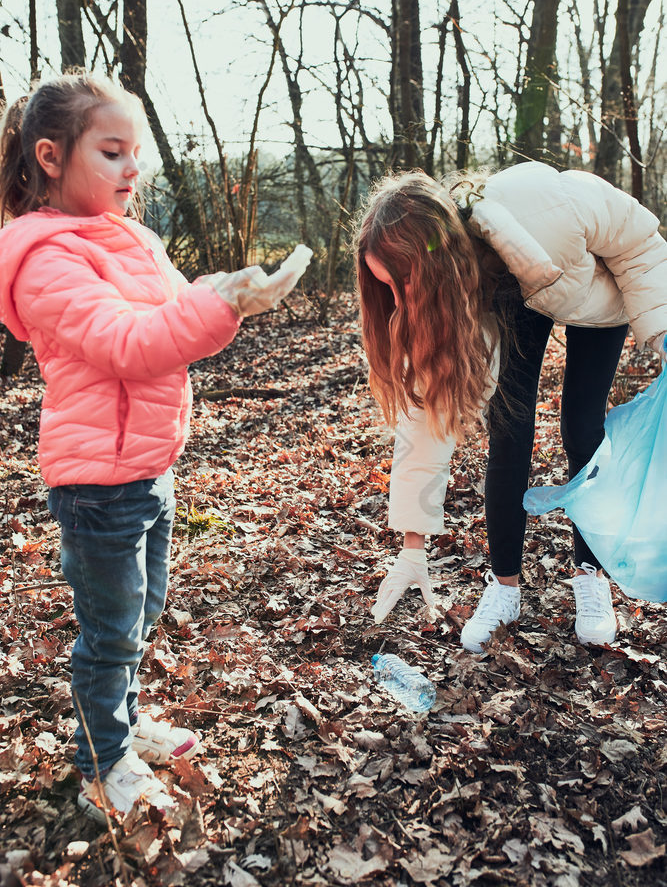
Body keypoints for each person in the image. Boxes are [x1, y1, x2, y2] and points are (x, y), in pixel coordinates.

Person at [0, 71, 310, 823]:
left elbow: (178, 306)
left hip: (149, 465)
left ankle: (125, 720)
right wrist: (221, 305)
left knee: (141, 614)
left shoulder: (131, 237)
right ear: (50, 157)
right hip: (96, 482)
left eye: (134, 152)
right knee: (109, 633)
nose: (132, 168)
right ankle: (101, 764)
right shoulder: (46, 259)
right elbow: (133, 343)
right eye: (112, 152)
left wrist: (229, 287)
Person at [356, 164, 667, 652]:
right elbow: (427, 417)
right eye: (387, 287)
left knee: (582, 424)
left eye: (403, 282)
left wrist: (663, 327)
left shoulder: (550, 206)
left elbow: (640, 244)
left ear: (435, 259)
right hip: (506, 298)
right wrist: (412, 542)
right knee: (508, 427)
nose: (399, 301)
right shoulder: (449, 298)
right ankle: (504, 587)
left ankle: (590, 574)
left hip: (592, 290)